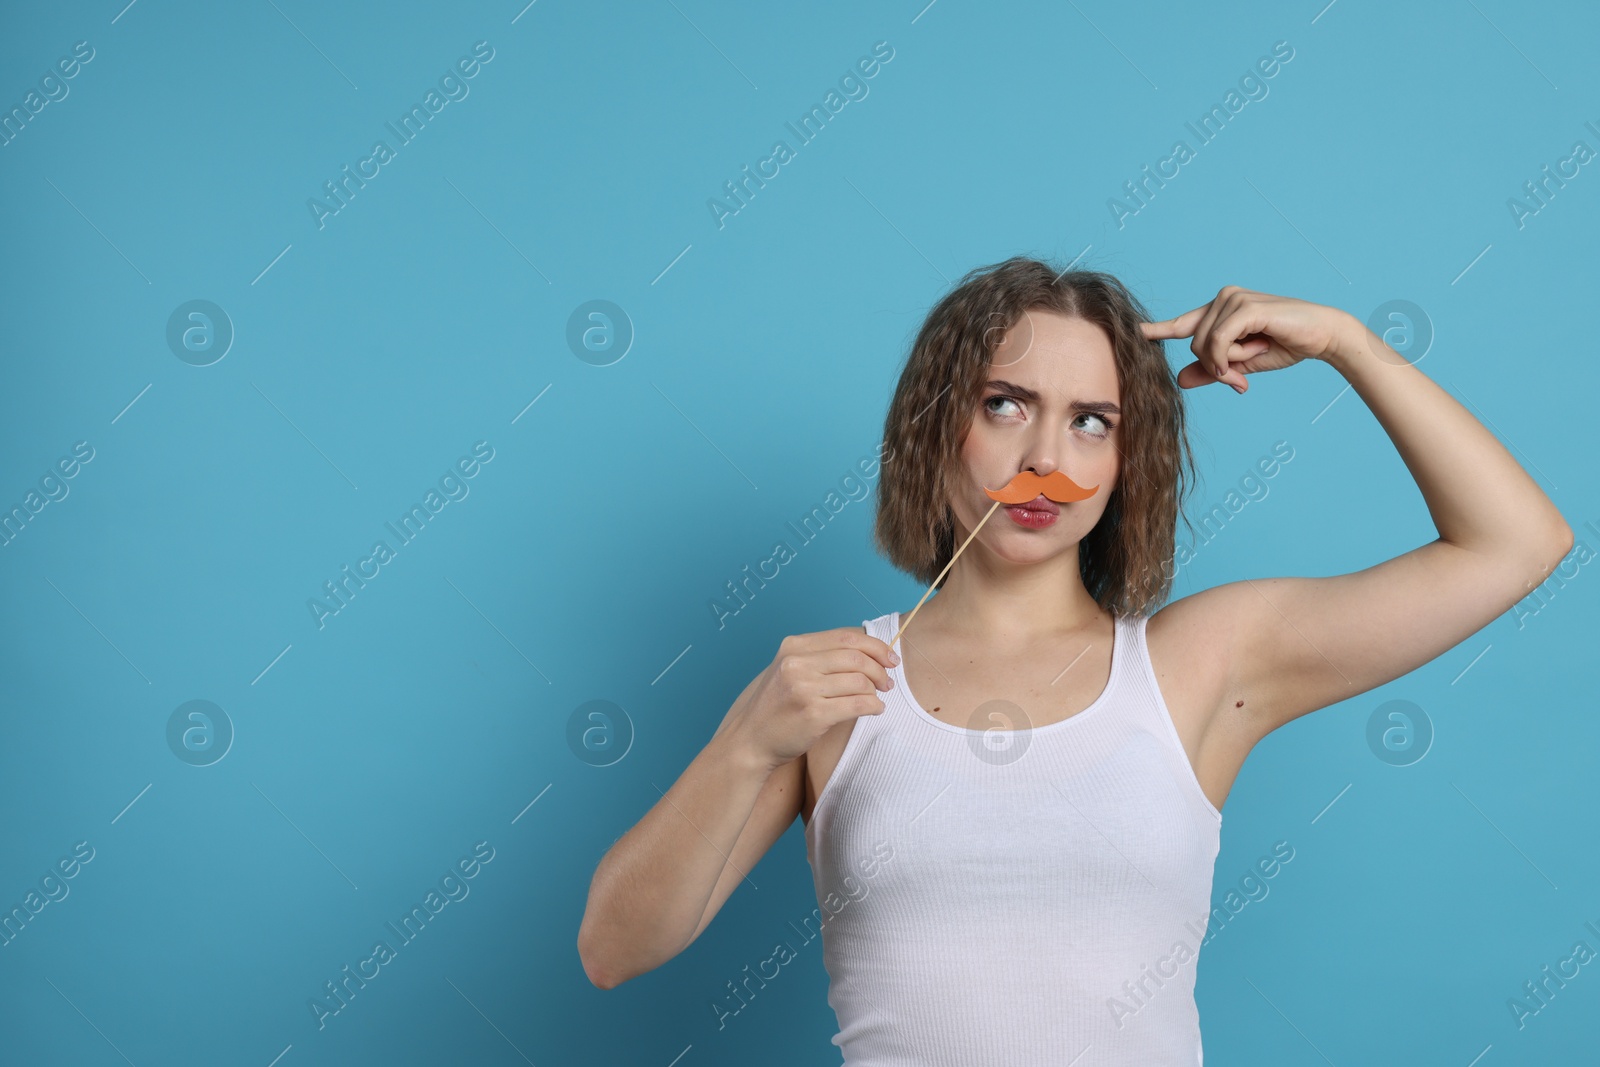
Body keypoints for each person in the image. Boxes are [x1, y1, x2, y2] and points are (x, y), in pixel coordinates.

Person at [576, 257, 1572, 1065]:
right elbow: (612, 949)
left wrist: (1348, 343)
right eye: (1006, 404)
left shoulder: (1200, 664)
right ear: (936, 425)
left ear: (1125, 460)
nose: (1045, 457)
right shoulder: (833, 687)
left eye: (1091, 420)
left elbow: (1515, 543)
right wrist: (744, 741)